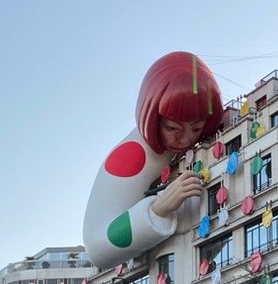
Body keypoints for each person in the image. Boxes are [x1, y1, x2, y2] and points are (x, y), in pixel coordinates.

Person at [83, 51, 224, 270]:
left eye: (196, 128)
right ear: (151, 117)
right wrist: (157, 208)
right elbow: (96, 247)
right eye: (173, 128)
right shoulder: (131, 155)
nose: (186, 138)